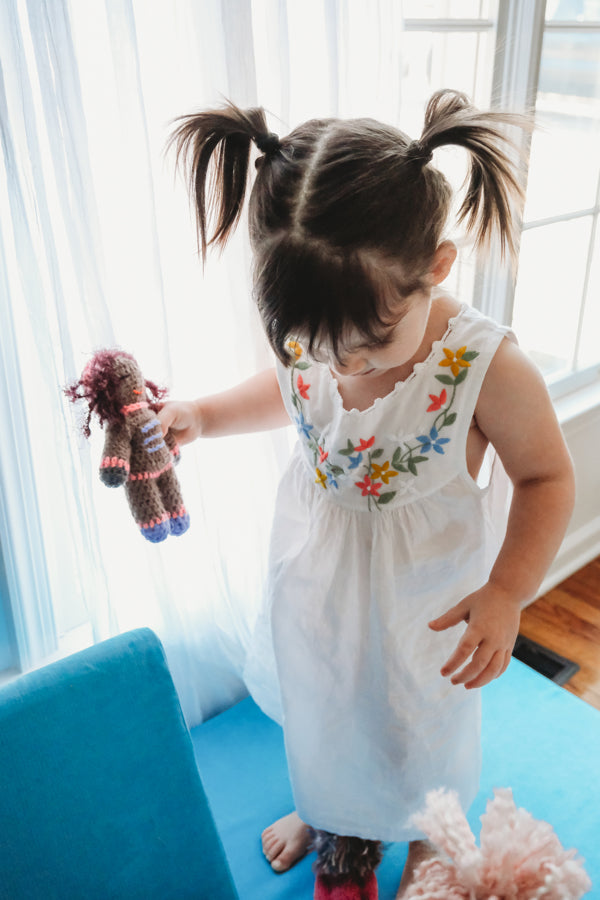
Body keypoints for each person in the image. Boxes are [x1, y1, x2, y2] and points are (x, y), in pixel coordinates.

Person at [158, 91, 575, 898]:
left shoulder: (483, 367)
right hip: (320, 575)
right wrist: (204, 416)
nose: (341, 366)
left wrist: (508, 591)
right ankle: (329, 811)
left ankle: (427, 831)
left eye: (370, 345)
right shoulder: (322, 321)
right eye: (318, 347)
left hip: (427, 599)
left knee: (416, 726)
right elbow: (288, 390)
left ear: (438, 271)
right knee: (326, 706)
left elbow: (548, 476)